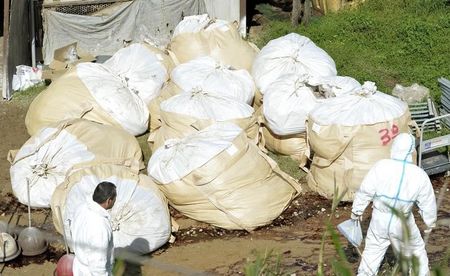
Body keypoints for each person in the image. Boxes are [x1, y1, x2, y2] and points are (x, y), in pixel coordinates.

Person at [351, 133, 437, 276]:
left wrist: (356, 211)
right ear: (411, 152)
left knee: (372, 252)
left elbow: (365, 190)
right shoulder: (419, 174)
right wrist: (430, 223)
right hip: (402, 221)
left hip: (379, 218)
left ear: (394, 147)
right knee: (415, 250)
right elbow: (427, 202)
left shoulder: (381, 166)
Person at [71, 181, 117, 276]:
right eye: (115, 199)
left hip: (79, 265)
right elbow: (97, 263)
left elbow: (72, 229)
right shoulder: (100, 226)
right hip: (91, 272)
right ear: (109, 200)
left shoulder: (81, 207)